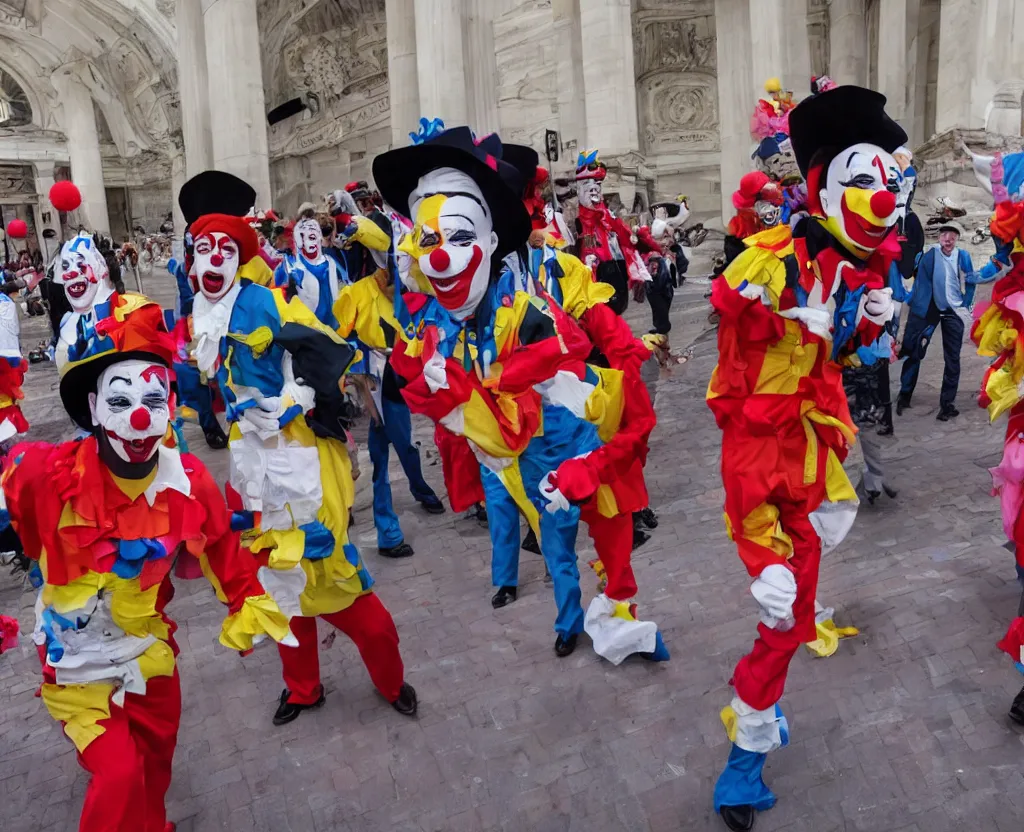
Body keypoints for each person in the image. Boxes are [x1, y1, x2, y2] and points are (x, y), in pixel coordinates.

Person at [373, 122, 668, 663]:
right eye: (431, 240)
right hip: (502, 446)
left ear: (491, 238)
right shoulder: (436, 319)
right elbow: (419, 374)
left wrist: (624, 362)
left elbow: (582, 335)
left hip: (563, 437)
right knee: (526, 529)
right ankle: (533, 597)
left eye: (461, 237)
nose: (442, 256)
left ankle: (598, 616)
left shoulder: (543, 280)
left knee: (586, 542)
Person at [0, 295, 295, 832]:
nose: (139, 416)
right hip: (76, 666)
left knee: (155, 768)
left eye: (154, 400)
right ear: (92, 410)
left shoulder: (187, 481)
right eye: (120, 401)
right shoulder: (44, 474)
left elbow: (226, 555)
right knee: (116, 776)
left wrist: (247, 602)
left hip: (149, 654)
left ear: (168, 410)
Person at [710, 85, 903, 831]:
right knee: (778, 611)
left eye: (888, 181)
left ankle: (746, 762)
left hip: (814, 466)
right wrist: (774, 307)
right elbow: (730, 312)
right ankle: (741, 769)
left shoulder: (854, 269)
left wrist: (861, 328)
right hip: (758, 458)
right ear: (823, 189)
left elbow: (835, 357)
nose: (881, 197)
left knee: (787, 630)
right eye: (863, 181)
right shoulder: (772, 255)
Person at [179, 169, 418, 726]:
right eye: (201, 250)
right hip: (250, 461)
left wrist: (292, 401)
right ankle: (303, 687)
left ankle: (390, 678)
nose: (211, 262)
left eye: (222, 250)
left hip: (299, 453)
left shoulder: (267, 302)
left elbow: (331, 350)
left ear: (239, 257)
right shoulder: (200, 313)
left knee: (329, 564)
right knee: (278, 581)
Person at [899, 221, 993, 420]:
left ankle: (947, 404)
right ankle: (904, 396)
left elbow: (970, 280)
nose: (948, 239)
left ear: (957, 239)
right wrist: (913, 301)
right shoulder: (929, 254)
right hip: (928, 309)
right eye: (944, 235)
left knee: (952, 359)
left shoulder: (963, 256)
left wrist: (965, 304)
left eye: (952, 235)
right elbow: (918, 280)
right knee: (914, 351)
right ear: (939, 237)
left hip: (953, 311)